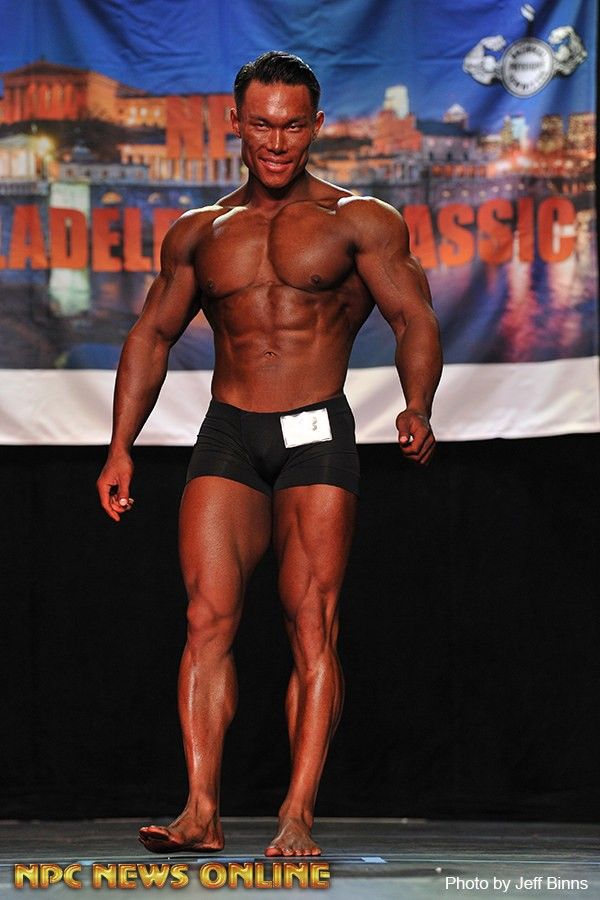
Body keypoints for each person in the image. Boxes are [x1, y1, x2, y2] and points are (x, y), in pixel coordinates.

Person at [97, 50, 442, 857]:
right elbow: (150, 334)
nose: (277, 142)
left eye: (292, 126)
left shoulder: (361, 220)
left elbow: (414, 317)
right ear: (236, 123)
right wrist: (120, 446)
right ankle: (201, 812)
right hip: (229, 433)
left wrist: (418, 404)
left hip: (316, 432)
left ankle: (296, 815)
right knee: (205, 617)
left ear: (316, 126)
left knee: (310, 623)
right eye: (261, 124)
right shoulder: (200, 231)